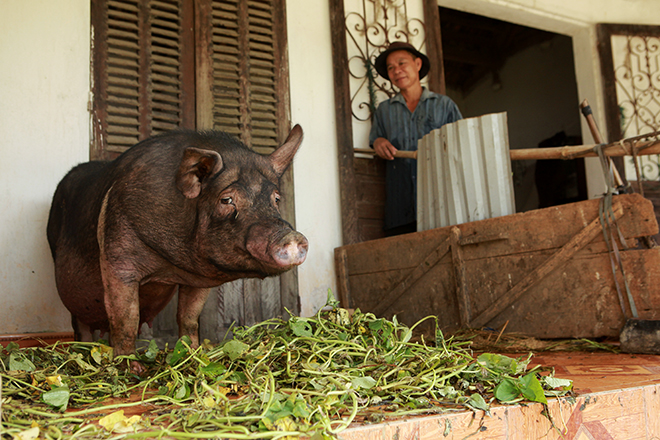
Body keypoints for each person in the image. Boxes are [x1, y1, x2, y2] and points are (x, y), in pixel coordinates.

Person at [370, 41, 463, 236]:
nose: (397, 71)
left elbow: (462, 144)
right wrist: (378, 142)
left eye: (402, 63)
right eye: (391, 68)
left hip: (440, 201)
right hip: (400, 205)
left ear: (418, 64)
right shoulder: (384, 111)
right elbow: (376, 139)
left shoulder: (444, 105)